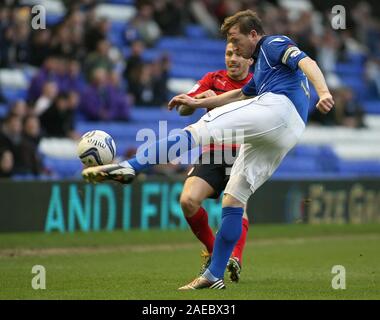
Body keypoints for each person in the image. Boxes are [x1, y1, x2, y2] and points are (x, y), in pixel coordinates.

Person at [82, 10, 334, 290]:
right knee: (234, 198)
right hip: (288, 131)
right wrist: (199, 102)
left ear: (253, 34)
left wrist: (323, 92)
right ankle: (214, 275)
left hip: (280, 109)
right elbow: (240, 94)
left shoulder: (271, 44)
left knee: (200, 130)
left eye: (236, 40)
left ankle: (132, 167)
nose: (234, 48)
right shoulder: (261, 71)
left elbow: (306, 61)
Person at [178, 42, 253, 283]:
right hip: (213, 152)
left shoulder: (258, 84)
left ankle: (235, 258)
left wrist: (216, 102)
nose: (233, 58)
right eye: (229, 53)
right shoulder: (212, 78)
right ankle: (214, 251)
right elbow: (183, 109)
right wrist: (199, 98)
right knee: (188, 201)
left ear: (250, 59)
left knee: (235, 207)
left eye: (239, 54)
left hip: (244, 153)